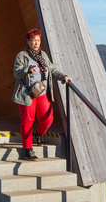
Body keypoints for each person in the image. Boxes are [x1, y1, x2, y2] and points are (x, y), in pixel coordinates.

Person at [13, 29, 70, 161]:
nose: (36, 43)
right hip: (27, 94)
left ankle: (39, 133)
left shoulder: (43, 55)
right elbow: (16, 73)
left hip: (42, 92)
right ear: (28, 41)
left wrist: (64, 77)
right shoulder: (22, 56)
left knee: (48, 119)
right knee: (27, 121)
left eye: (38, 40)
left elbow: (52, 69)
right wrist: (27, 70)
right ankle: (28, 149)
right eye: (33, 40)